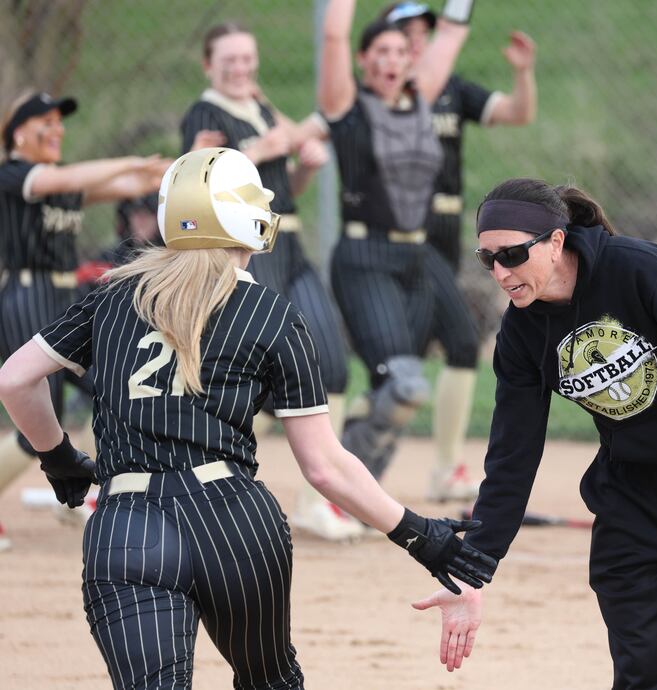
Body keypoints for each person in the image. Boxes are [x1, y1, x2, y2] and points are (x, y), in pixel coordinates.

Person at [0, 147, 496, 689]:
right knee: (269, 680)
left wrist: (59, 458)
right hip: (232, 522)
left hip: (128, 522)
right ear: (249, 221)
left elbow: (15, 380)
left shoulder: (114, 295)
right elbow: (326, 468)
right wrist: (424, 537)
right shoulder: (273, 312)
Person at [413, 177, 657, 687]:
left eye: (511, 255)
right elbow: (512, 453)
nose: (501, 273)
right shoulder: (522, 334)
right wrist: (472, 566)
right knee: (639, 673)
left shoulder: (639, 271)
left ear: (555, 241)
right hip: (631, 501)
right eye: (488, 260)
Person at [180, 22, 361, 542]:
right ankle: (215, 496)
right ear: (208, 65)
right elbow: (198, 179)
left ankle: (316, 502)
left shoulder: (259, 107)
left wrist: (301, 163)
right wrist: (263, 147)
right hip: (245, 250)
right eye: (229, 60)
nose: (240, 69)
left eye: (246, 58)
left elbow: (285, 189)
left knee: (331, 366)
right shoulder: (206, 114)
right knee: (247, 379)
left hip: (291, 243)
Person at [379, 2, 537, 502]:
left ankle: (441, 468)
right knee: (441, 345)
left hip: (447, 227)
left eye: (426, 30)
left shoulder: (451, 88)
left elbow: (519, 112)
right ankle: (358, 471)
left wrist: (523, 74)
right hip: (406, 230)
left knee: (428, 349)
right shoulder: (387, 94)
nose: (419, 39)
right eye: (408, 31)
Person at [0, 90, 167, 550]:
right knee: (39, 419)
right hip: (25, 292)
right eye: (46, 123)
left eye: (60, 123)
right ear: (18, 133)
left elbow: (124, 186)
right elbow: (70, 178)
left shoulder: (61, 181)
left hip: (63, 293)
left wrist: (156, 172)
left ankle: (90, 495)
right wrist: (127, 161)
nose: (57, 130)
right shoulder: (15, 175)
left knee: (110, 384)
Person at [318, 0, 473, 486]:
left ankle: (358, 489)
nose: (391, 60)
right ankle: (346, 485)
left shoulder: (421, 97)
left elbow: (450, 35)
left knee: (400, 389)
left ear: (411, 60)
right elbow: (333, 39)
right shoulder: (346, 105)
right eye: (380, 51)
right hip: (365, 259)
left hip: (416, 258)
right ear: (364, 60)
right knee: (404, 384)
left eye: (400, 52)